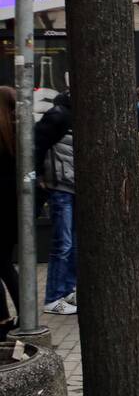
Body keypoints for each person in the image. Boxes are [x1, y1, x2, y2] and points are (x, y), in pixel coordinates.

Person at [35, 91, 77, 315]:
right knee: (64, 244)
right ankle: (54, 297)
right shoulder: (59, 117)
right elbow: (38, 146)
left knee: (71, 244)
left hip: (69, 185)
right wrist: (40, 176)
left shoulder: (66, 115)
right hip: (61, 186)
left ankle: (66, 290)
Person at [0, 87, 19, 336]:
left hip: (4, 203)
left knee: (2, 264)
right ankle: (10, 316)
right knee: (4, 262)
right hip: (12, 206)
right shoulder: (17, 131)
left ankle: (4, 319)